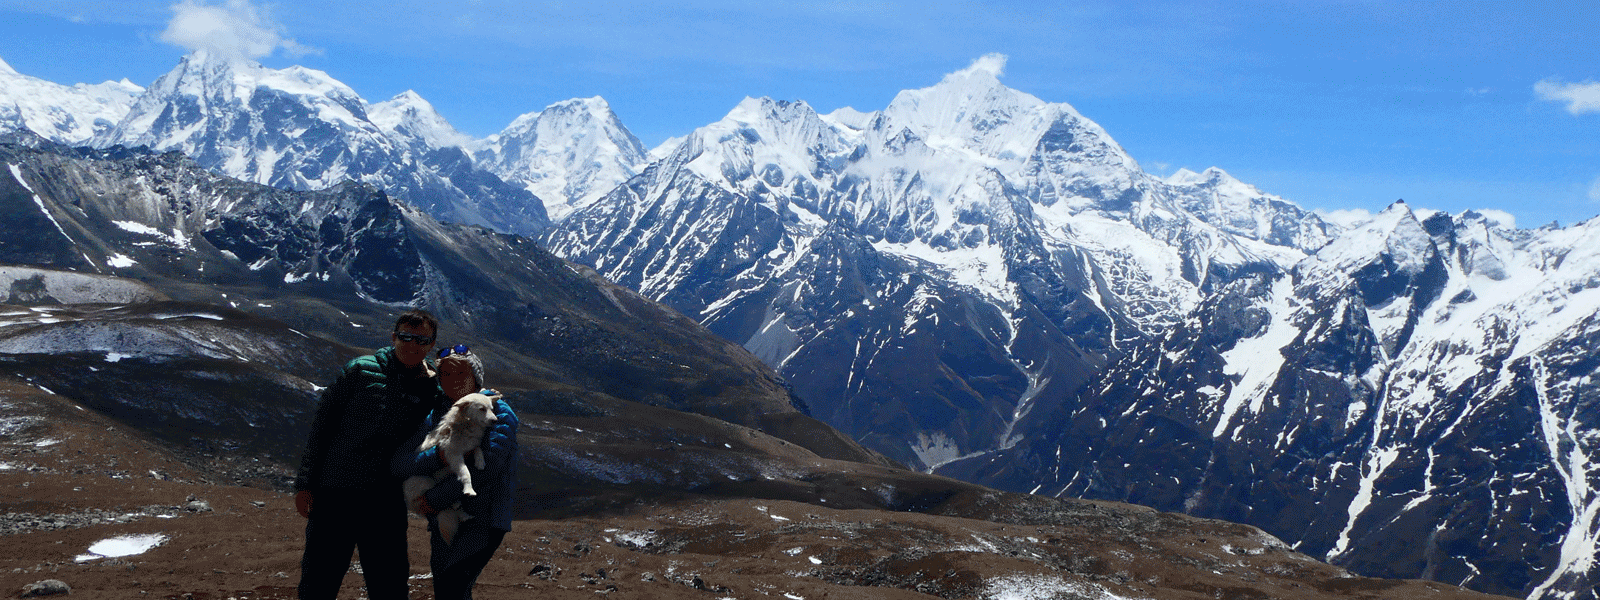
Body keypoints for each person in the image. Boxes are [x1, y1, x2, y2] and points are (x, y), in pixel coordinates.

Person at [293, 309, 446, 600]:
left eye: (422, 341)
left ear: (431, 345)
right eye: (406, 337)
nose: (413, 345)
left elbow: (454, 408)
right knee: (318, 581)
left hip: (385, 501)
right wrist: (305, 484)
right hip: (335, 495)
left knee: (389, 584)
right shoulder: (360, 370)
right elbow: (321, 428)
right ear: (394, 337)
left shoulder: (430, 385)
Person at [393, 344, 519, 600]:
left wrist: (432, 499)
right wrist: (438, 456)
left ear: (475, 378)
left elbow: (486, 471)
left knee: (453, 586)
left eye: (461, 374)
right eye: (446, 375)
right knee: (447, 590)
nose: (453, 381)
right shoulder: (438, 415)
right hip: (445, 515)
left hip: (482, 517)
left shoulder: (500, 415)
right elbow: (401, 464)